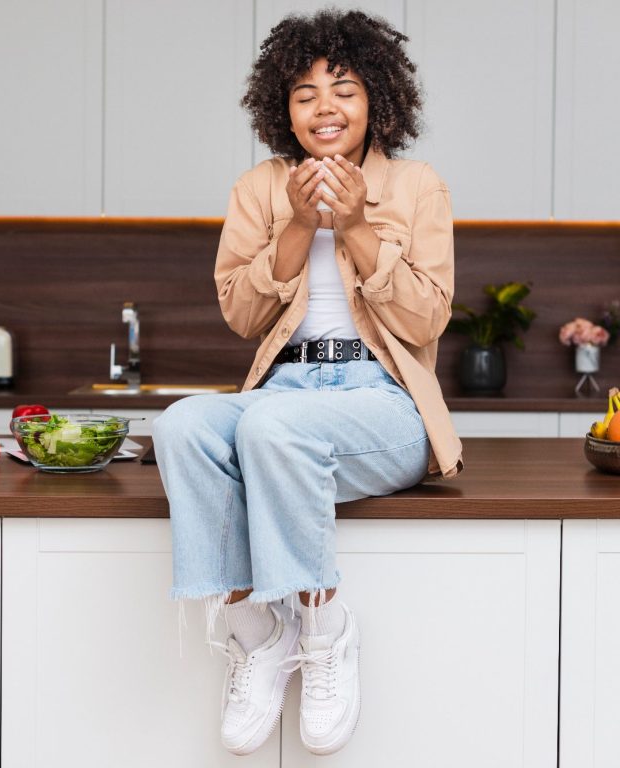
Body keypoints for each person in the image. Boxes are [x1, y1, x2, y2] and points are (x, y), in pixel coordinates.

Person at [152, 7, 463, 757]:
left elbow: (426, 319)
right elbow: (241, 312)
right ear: (279, 108)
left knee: (267, 428)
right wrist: (295, 224)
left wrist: (354, 225)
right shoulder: (259, 188)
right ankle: (257, 631)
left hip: (382, 402)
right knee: (183, 425)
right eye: (304, 93)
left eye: (344, 88)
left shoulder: (416, 186)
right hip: (285, 395)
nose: (324, 107)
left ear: (377, 98)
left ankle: (325, 628)